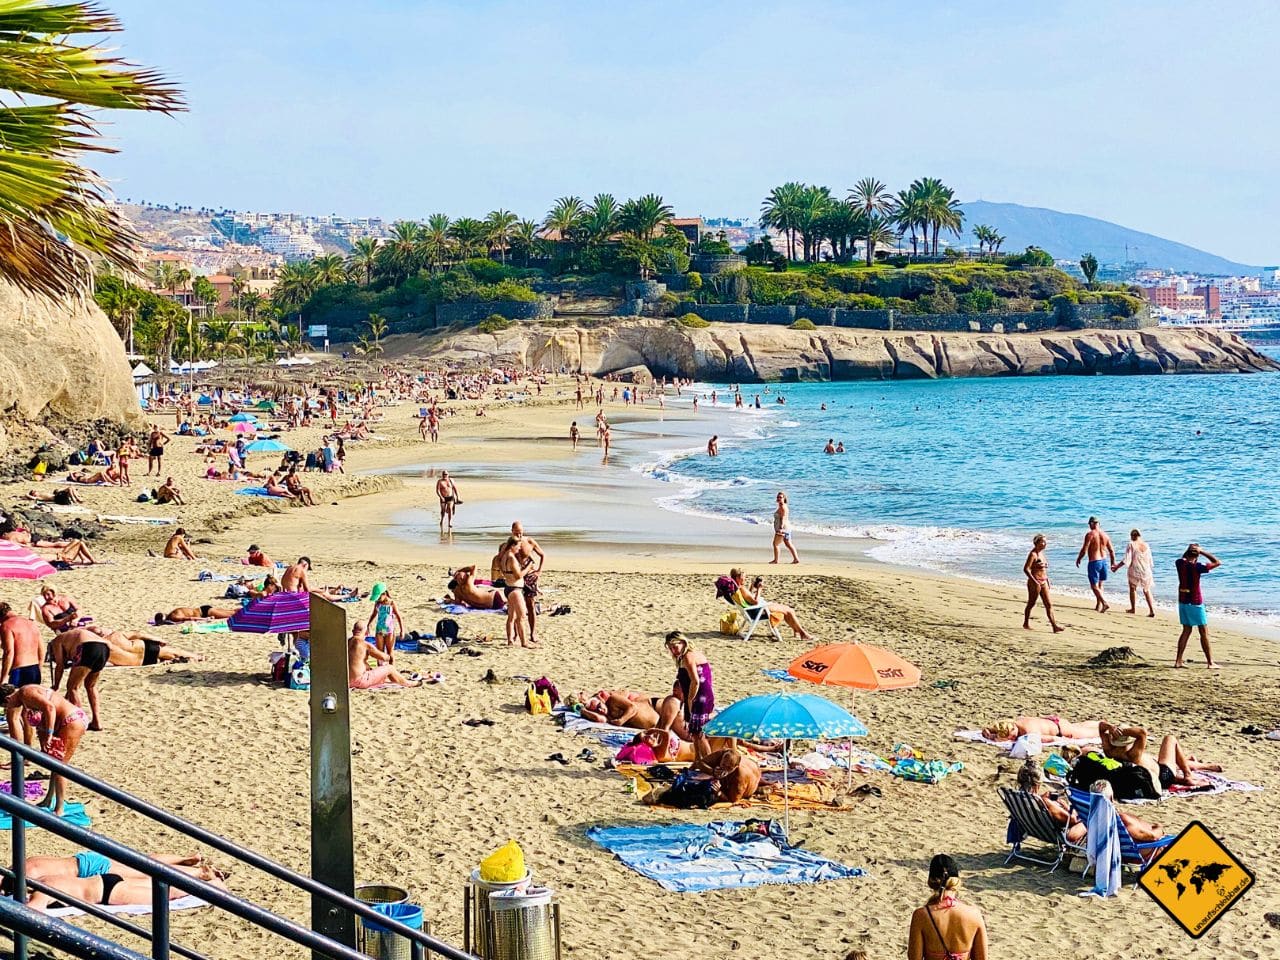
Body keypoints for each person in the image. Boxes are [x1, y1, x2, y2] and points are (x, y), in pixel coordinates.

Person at [2, 683, 89, 814]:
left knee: (60, 767)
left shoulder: (26, 693)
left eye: (5, 707)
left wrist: (49, 733)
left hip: (72, 721)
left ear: (8, 699)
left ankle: (60, 808)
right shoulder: (24, 698)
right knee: (54, 763)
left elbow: (50, 708)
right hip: (63, 723)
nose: (8, 709)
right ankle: (49, 799)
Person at [22, 861, 228, 913]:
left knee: (169, 895)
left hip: (108, 893)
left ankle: (213, 885)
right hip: (105, 880)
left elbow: (33, 912)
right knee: (159, 884)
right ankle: (203, 877)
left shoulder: (44, 890)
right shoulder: (46, 880)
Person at [1099, 722, 1222, 795]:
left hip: (1149, 776)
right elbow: (1142, 732)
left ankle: (1197, 764)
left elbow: (1101, 726)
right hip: (1164, 775)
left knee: (1153, 758)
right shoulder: (1132, 754)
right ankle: (1188, 775)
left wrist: (1110, 727)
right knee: (1170, 739)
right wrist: (1123, 731)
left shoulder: (1109, 750)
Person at [906, 854, 988, 960]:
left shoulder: (921, 915)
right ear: (957, 881)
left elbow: (914, 957)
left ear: (931, 881)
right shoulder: (974, 914)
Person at [663, 631, 715, 759]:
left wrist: (690, 699)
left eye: (675, 647)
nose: (673, 651)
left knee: (699, 733)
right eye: (670, 648)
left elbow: (695, 681)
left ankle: (709, 763)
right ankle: (698, 760)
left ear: (683, 643)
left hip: (699, 697)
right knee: (694, 732)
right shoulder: (689, 655)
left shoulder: (688, 656)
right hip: (699, 695)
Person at [48, 626, 110, 730]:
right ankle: (96, 721)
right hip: (104, 647)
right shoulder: (69, 637)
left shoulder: (56, 641)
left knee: (72, 688)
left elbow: (60, 666)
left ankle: (81, 723)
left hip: (87, 647)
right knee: (91, 686)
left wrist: (56, 685)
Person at [728, 568, 812, 639]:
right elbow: (755, 602)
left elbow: (747, 598)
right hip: (758, 610)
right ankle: (802, 634)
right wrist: (759, 590)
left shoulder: (735, 589)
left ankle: (796, 630)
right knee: (789, 611)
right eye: (743, 577)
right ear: (738, 578)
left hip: (751, 610)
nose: (745, 579)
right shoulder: (741, 588)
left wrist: (751, 587)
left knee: (788, 609)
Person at [1175, 543, 1221, 669]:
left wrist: (1192, 550)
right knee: (1203, 631)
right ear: (1197, 555)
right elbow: (1217, 562)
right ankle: (1210, 662)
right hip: (1195, 601)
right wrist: (1202, 551)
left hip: (1183, 601)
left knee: (1186, 630)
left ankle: (1178, 660)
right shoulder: (1197, 567)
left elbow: (1184, 557)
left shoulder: (1179, 563)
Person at [1016, 761, 1085, 844]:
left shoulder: (1017, 798)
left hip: (1033, 830)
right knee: (1087, 820)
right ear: (1038, 784)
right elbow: (1073, 820)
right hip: (1058, 835)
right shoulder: (1044, 802)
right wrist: (1066, 806)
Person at [348, 622, 420, 689]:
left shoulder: (345, 643)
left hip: (346, 681)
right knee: (390, 668)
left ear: (353, 631)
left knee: (366, 666)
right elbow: (384, 657)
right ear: (366, 633)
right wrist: (390, 649)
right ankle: (410, 683)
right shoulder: (365, 644)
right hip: (360, 681)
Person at [510, 521, 545, 644]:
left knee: (530, 606)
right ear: (512, 531)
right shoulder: (509, 545)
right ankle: (514, 634)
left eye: (520, 532)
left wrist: (539, 571)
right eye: (516, 532)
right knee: (514, 607)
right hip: (516, 578)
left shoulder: (529, 541)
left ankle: (532, 633)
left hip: (529, 577)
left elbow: (542, 555)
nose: (519, 535)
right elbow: (500, 558)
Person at [1022, 534, 1064, 632]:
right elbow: (1026, 569)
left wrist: (1047, 580)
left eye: (1045, 542)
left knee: (1048, 604)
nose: (1044, 544)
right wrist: (1034, 581)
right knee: (1031, 603)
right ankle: (1026, 623)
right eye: (1042, 542)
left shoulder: (1042, 554)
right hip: (1035, 582)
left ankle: (1054, 626)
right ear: (1036, 543)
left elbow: (1043, 569)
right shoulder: (1033, 554)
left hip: (1043, 581)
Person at [1075, 516, 1116, 613]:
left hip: (1094, 561)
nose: (1089, 526)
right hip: (1104, 561)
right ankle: (1098, 605)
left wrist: (1079, 558)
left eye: (1089, 524)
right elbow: (1111, 550)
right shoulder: (1105, 535)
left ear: (1093, 523)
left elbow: (1084, 549)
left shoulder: (1090, 534)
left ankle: (1104, 603)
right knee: (1100, 584)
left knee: (1094, 585)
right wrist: (1113, 563)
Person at [498, 538, 533, 647]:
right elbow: (518, 575)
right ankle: (524, 642)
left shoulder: (503, 557)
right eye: (518, 546)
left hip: (509, 587)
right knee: (521, 616)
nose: (519, 548)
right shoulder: (511, 558)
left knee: (511, 617)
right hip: (515, 589)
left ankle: (510, 640)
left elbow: (503, 570)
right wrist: (528, 567)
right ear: (512, 545)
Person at [1, 603, 45, 688]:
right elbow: (41, 650)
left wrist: (4, 677)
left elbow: (9, 653)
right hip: (34, 669)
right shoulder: (31, 624)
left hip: (18, 670)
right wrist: (39, 669)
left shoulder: (6, 625)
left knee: (11, 699)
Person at [1114, 528, 1156, 617]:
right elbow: (1150, 560)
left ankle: (1133, 608)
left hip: (1135, 569)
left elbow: (1127, 559)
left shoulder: (1131, 544)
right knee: (1147, 590)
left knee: (1133, 588)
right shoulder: (1146, 545)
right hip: (1146, 570)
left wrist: (1117, 566)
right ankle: (1152, 610)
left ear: (1133, 536)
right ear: (1140, 535)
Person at [981, 715, 1101, 742]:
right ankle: (1100, 722)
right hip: (1053, 721)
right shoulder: (1017, 721)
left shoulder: (1027, 733)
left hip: (1061, 730)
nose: (1012, 738)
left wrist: (1066, 740)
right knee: (1080, 726)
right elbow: (990, 729)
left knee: (1095, 733)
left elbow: (1051, 739)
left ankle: (1105, 727)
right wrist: (989, 732)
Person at [365, 583, 404, 661]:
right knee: (380, 653)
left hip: (389, 631)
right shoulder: (377, 604)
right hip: (379, 630)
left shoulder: (391, 603)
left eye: (379, 598)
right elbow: (374, 614)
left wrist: (402, 630)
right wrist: (368, 624)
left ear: (384, 594)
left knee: (390, 653)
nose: (378, 600)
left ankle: (391, 669)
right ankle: (381, 670)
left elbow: (399, 616)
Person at [770, 491, 800, 564]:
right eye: (778, 497)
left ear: (784, 498)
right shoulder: (783, 506)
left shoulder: (783, 507)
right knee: (788, 544)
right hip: (787, 528)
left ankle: (776, 560)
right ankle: (796, 559)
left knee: (775, 544)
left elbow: (783, 518)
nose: (779, 498)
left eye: (780, 497)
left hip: (783, 529)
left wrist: (780, 528)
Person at [153, 605, 238, 625]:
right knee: (232, 611)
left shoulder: (174, 617)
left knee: (231, 614)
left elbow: (190, 618)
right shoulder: (173, 612)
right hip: (203, 608)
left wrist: (205, 619)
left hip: (205, 613)